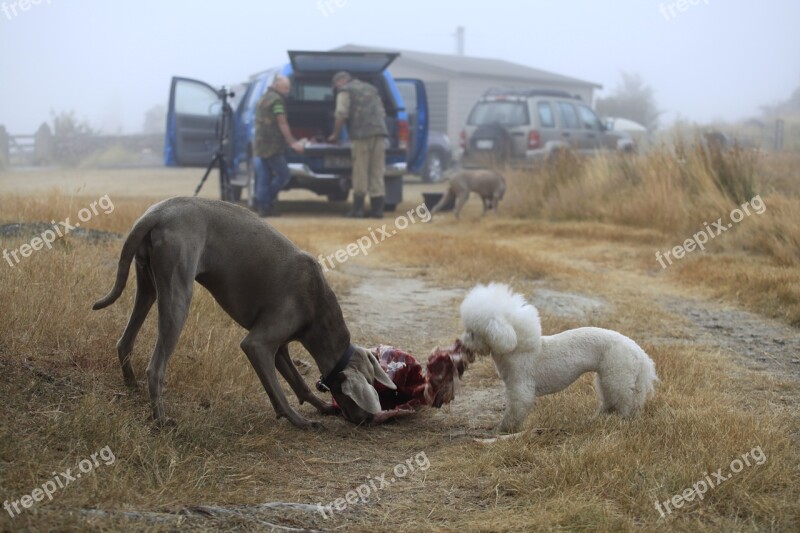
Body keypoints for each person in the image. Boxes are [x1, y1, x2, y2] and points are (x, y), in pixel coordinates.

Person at [327, 71, 388, 218]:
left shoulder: (345, 90)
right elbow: (383, 113)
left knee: (360, 170)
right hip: (379, 133)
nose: (336, 89)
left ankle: (358, 210)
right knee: (377, 170)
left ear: (340, 81)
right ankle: (377, 210)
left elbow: (341, 114)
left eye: (335, 86)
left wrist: (335, 134)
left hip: (361, 135)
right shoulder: (371, 89)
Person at [254, 75, 305, 217]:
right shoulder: (277, 100)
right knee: (284, 174)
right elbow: (281, 122)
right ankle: (267, 200)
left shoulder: (263, 98)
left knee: (264, 176)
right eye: (285, 87)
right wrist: (292, 142)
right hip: (272, 146)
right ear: (276, 85)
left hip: (260, 144)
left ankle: (263, 206)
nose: (287, 91)